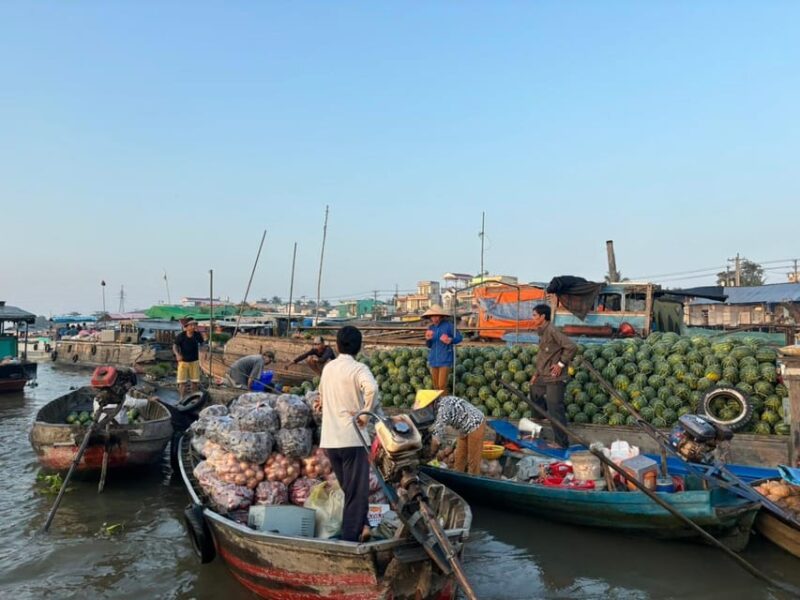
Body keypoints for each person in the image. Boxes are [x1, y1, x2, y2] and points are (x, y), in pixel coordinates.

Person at [318, 326, 378, 542]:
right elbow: (372, 389)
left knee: (350, 489)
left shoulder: (328, 368)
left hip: (331, 441)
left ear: (337, 345)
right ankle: (350, 540)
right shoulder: (359, 368)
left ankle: (364, 526)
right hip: (352, 439)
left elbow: (321, 396)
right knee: (356, 492)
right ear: (359, 347)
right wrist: (364, 416)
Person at [529, 304, 577, 449]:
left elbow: (571, 346)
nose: (533, 318)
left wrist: (560, 364)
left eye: (534, 315)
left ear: (543, 317)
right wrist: (536, 374)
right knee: (534, 390)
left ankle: (562, 443)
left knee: (555, 410)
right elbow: (544, 355)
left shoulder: (552, 330)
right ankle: (542, 414)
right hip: (544, 375)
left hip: (555, 377)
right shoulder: (542, 331)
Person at [413, 389, 486, 474]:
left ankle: (473, 484)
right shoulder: (437, 406)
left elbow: (436, 441)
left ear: (430, 403)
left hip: (476, 424)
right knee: (460, 457)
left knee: (473, 461)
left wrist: (430, 456)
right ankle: (458, 481)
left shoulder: (443, 409)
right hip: (463, 428)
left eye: (424, 407)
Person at [422, 305, 462, 392]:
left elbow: (459, 338)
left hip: (445, 359)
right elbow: (429, 345)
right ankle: (438, 404)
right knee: (436, 386)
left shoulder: (449, 326)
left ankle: (444, 404)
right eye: (432, 316)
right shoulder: (431, 328)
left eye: (436, 316)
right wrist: (427, 340)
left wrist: (450, 340)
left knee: (441, 385)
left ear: (441, 316)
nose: (434, 318)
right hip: (433, 360)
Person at [173, 318, 205, 397]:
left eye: (194, 325)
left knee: (194, 382)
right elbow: (174, 346)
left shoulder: (197, 335)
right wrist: (177, 354)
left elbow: (203, 344)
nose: (193, 327)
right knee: (182, 382)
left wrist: (204, 353)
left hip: (194, 361)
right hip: (183, 362)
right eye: (191, 325)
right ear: (186, 327)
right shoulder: (181, 336)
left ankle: (193, 398)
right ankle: (181, 399)